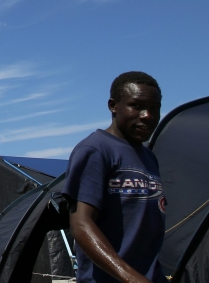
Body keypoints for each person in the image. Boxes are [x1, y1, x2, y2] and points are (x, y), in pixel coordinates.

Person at [62, 72, 166, 283]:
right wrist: (133, 279)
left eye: (154, 108)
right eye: (136, 106)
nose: (147, 115)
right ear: (113, 105)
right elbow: (81, 224)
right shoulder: (96, 150)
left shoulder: (148, 157)